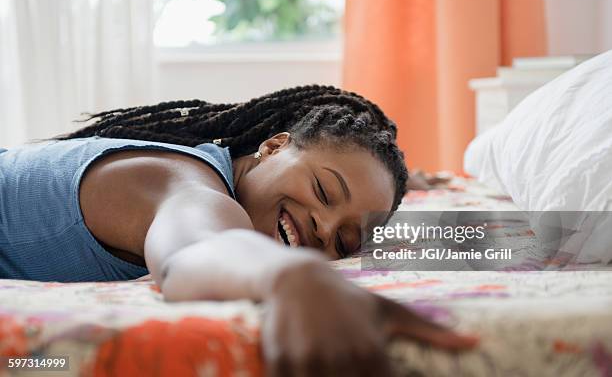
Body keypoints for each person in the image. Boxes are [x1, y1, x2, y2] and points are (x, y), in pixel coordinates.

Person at [0, 85, 476, 375]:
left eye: (345, 242)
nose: (324, 228)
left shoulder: (212, 176)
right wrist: (293, 276)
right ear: (272, 146)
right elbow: (200, 248)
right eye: (324, 191)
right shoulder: (180, 182)